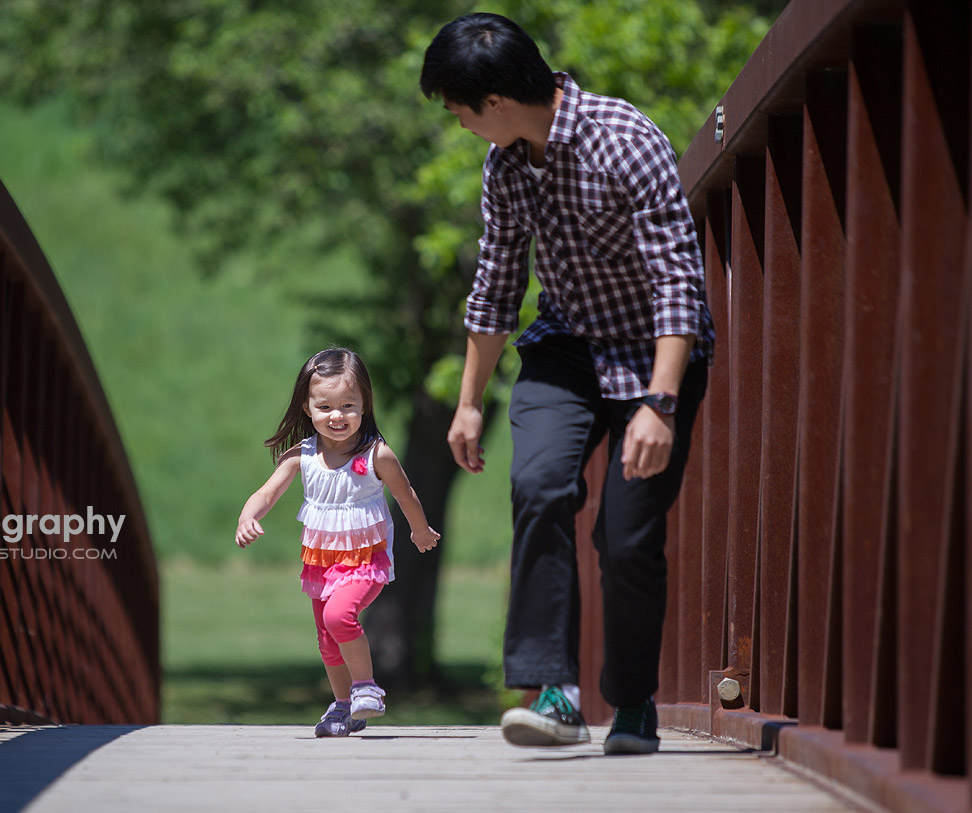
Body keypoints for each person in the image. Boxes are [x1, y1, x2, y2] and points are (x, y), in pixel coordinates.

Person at [420, 13, 713, 755]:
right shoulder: (507, 166)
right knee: (542, 485)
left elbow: (679, 277)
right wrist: (467, 402)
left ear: (492, 102)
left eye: (455, 109)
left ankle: (634, 702)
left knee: (627, 538)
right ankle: (553, 691)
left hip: (656, 354)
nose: (456, 123)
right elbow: (495, 286)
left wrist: (660, 400)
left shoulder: (626, 139)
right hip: (567, 348)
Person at [236, 347, 441, 737]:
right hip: (321, 563)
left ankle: (367, 688)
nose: (337, 415)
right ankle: (344, 706)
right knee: (327, 640)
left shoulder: (375, 454)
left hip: (366, 561)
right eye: (325, 406)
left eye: (349, 405)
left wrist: (419, 530)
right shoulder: (302, 456)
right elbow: (266, 494)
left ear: (365, 405)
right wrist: (249, 516)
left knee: (338, 617)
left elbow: (405, 493)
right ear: (307, 407)